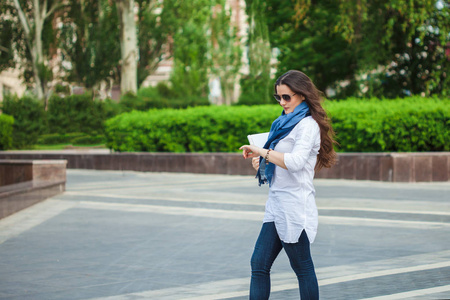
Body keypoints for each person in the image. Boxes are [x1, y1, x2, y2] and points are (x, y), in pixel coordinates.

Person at [239, 70, 337, 300]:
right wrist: (261, 161)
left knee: (303, 268)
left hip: (294, 206)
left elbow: (295, 162)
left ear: (302, 95)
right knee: (259, 264)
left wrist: (263, 152)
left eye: (287, 97)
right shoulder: (283, 123)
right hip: (276, 204)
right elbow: (278, 160)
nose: (282, 103)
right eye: (278, 97)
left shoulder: (307, 126)